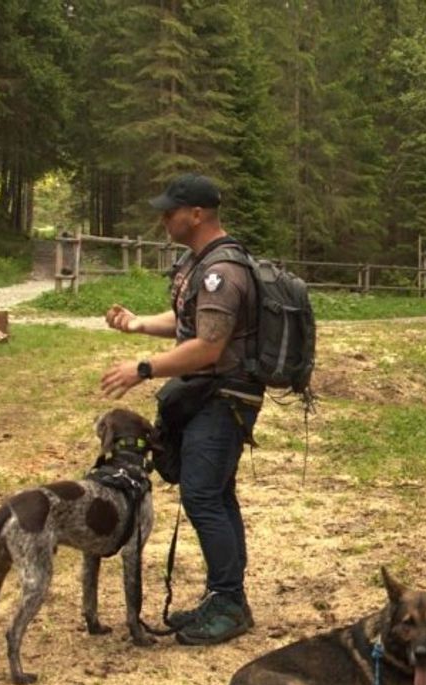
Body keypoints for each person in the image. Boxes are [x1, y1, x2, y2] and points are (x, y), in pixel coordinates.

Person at [101, 174, 263, 646]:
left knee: (203, 496)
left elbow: (209, 346)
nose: (163, 218)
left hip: (223, 396)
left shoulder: (222, 269)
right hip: (209, 395)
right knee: (215, 493)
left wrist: (144, 368)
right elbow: (191, 319)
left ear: (197, 214)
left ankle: (230, 603)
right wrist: (137, 325)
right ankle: (225, 595)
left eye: (170, 211)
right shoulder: (200, 265)